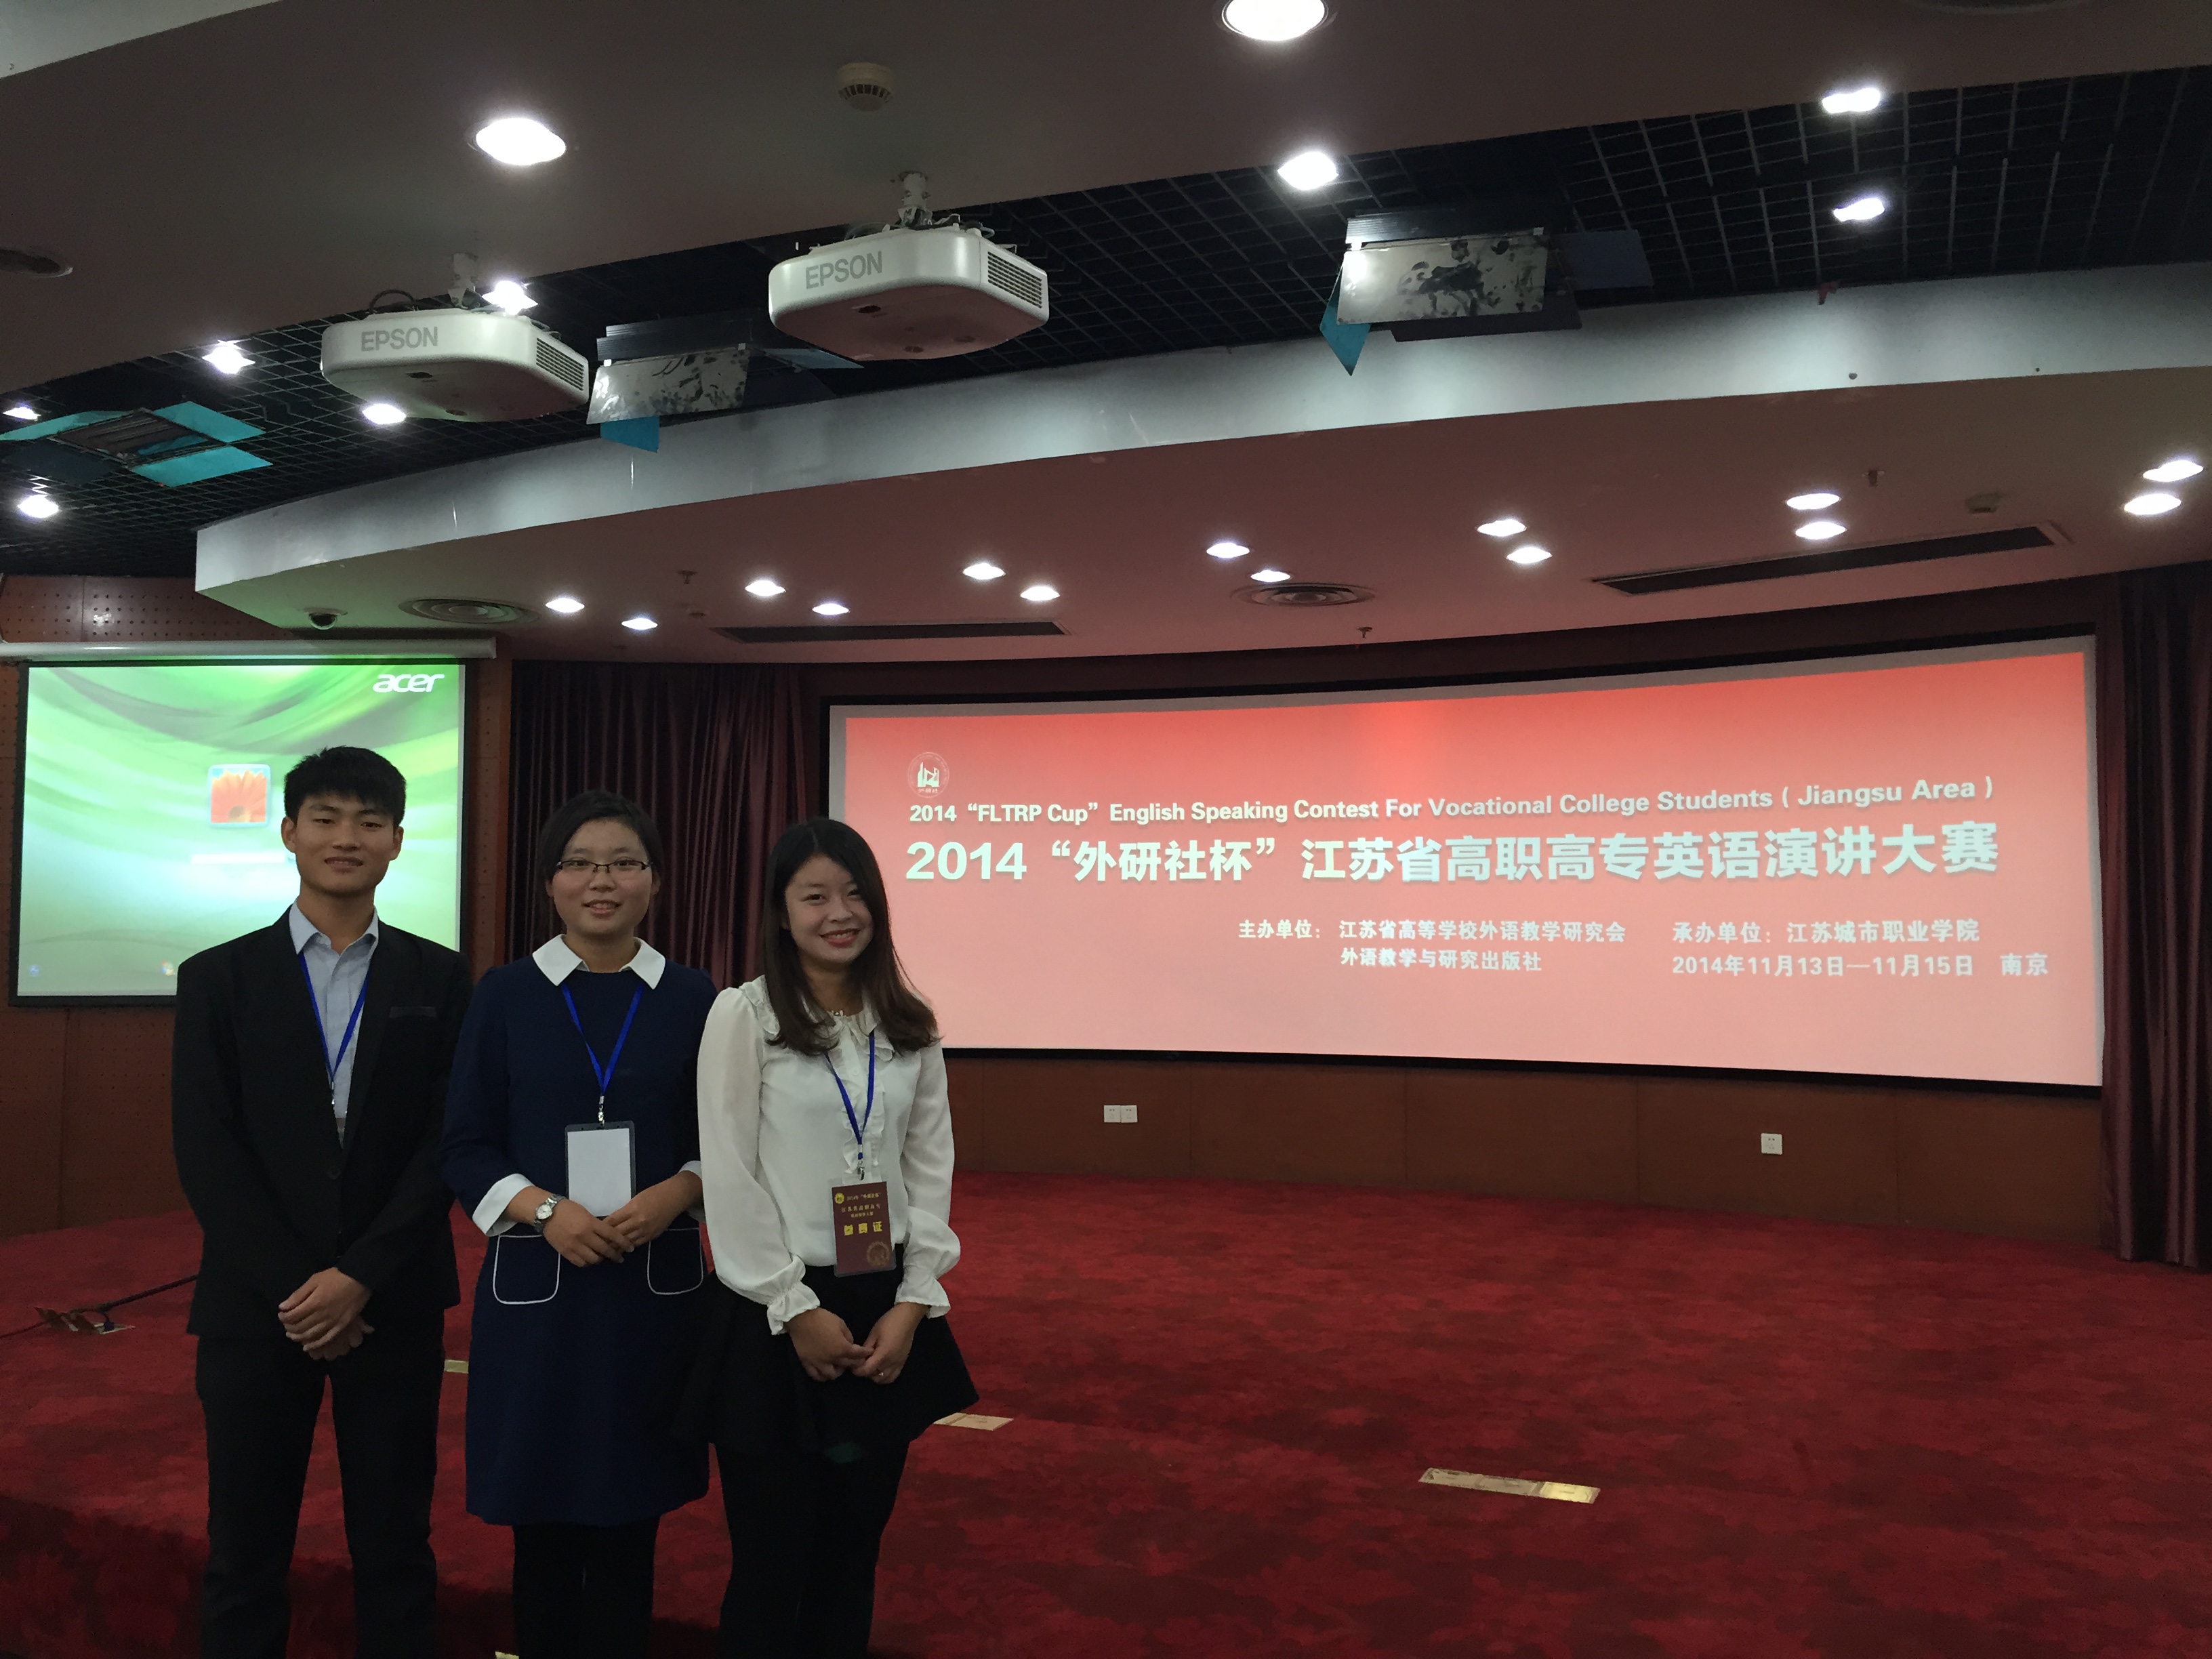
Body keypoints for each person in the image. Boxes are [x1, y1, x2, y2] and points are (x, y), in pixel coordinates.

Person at [171, 745, 472, 1659]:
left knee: (396, 1547)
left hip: (393, 1301)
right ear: (289, 831)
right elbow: (207, 1148)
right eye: (328, 819)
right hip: (258, 1308)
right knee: (245, 1549)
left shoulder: (439, 977)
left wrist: (359, 1278)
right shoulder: (219, 977)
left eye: (370, 822)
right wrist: (302, 1289)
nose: (348, 838)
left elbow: (444, 1143)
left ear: (397, 841)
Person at [684, 817, 977, 1659]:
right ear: (781, 913)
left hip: (883, 1308)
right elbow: (730, 1172)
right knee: (772, 1562)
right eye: (814, 897)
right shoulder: (746, 1014)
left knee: (853, 1555)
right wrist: (792, 1303)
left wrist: (915, 1301)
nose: (838, 913)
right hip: (775, 1313)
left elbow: (929, 1167)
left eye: (854, 895)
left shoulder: (908, 1022)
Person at [443, 790, 718, 1659]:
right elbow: (464, 1142)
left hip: (651, 1293)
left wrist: (678, 1192)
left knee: (634, 1512)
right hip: (541, 1293)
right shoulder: (505, 994)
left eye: (624, 863)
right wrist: (544, 1210)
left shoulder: (695, 997)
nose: (603, 881)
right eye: (581, 864)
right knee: (544, 1511)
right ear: (550, 883)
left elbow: (730, 1140)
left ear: (655, 882)